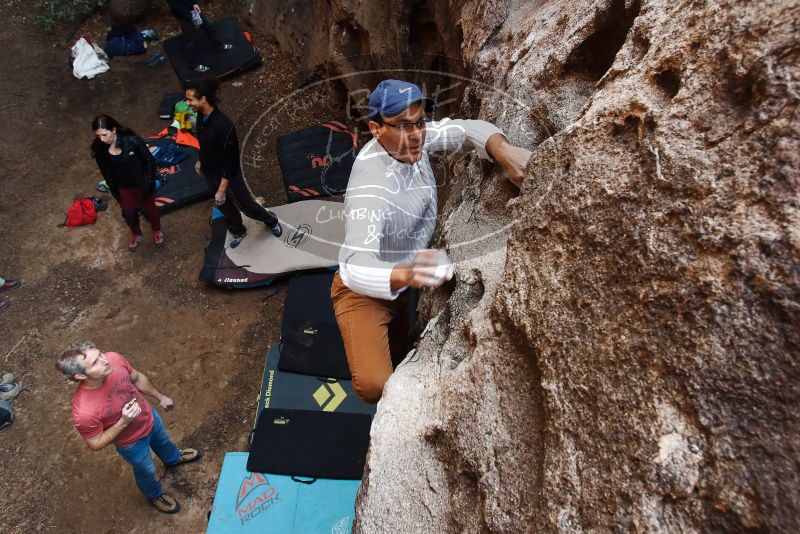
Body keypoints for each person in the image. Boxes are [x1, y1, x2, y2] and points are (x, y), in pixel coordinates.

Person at [333, 79, 533, 403]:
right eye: (400, 126)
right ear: (376, 128)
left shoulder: (412, 142)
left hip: (405, 276)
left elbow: (465, 130)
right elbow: (354, 266)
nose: (414, 135)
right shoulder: (370, 188)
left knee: (398, 348)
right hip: (362, 288)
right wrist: (408, 275)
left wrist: (503, 151)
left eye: (419, 122)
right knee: (375, 384)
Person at [55, 341, 202, 514]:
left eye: (100, 354)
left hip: (150, 417)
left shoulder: (114, 359)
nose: (105, 361)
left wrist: (160, 397)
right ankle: (154, 494)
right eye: (95, 362)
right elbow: (94, 443)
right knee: (146, 470)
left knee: (164, 441)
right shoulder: (84, 411)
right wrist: (123, 422)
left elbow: (137, 378)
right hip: (131, 443)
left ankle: (173, 458)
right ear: (79, 376)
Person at [185, 78, 282, 248]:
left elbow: (231, 163)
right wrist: (201, 160)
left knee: (248, 207)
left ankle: (271, 220)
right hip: (211, 173)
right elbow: (204, 143)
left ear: (203, 100)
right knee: (225, 207)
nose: (187, 103)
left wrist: (222, 189)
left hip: (229, 176)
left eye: (190, 99)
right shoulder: (201, 117)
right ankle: (238, 230)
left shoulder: (223, 126)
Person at [91, 115, 164, 252]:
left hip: (141, 184)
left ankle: (157, 231)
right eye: (99, 136)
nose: (102, 139)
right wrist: (113, 189)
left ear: (113, 130)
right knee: (129, 213)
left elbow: (149, 160)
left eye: (105, 134)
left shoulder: (131, 141)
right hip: (123, 188)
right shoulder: (100, 150)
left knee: (150, 210)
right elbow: (106, 172)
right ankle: (137, 234)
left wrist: (148, 180)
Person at [165, 0, 232, 73]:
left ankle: (219, 46)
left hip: (193, 10)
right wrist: (189, 15)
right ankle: (194, 65)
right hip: (183, 16)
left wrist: (194, 4)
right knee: (189, 41)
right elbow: (175, 7)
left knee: (209, 28)